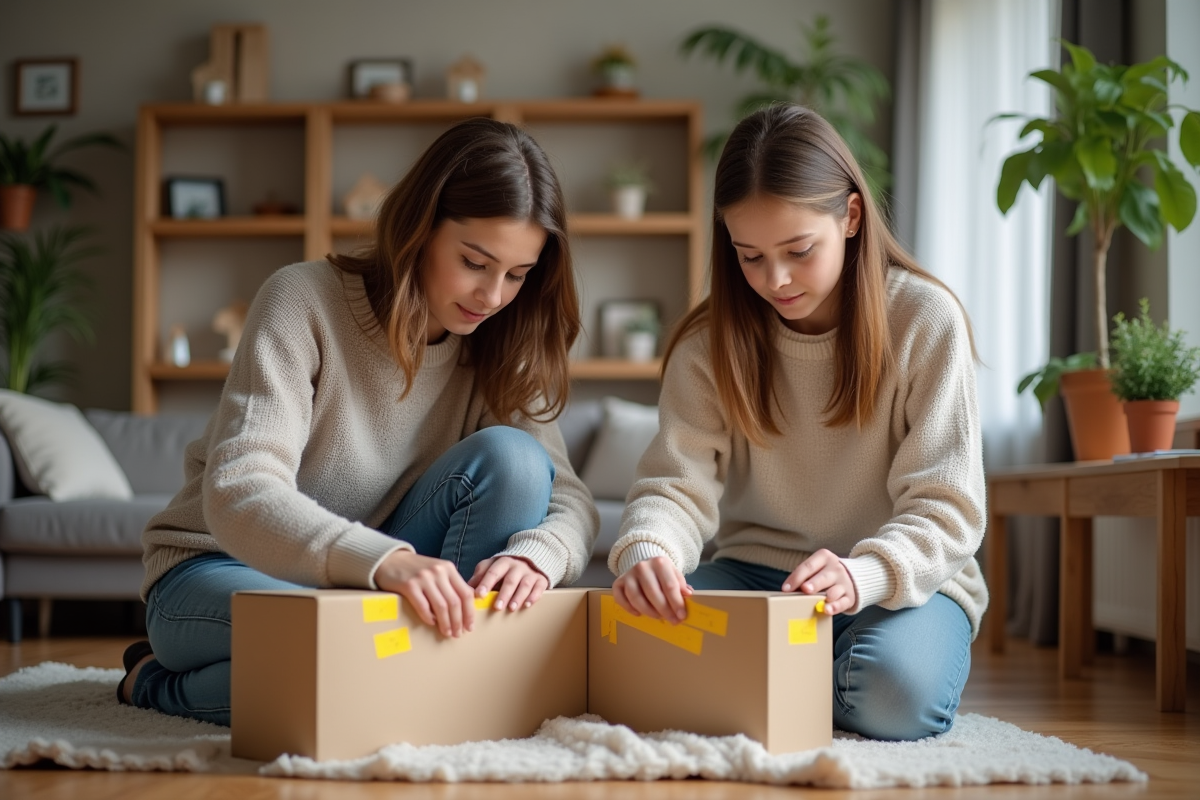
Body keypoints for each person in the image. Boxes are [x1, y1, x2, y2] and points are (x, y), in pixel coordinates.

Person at [119, 118, 599, 725]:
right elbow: (240, 491)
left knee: (516, 460)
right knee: (343, 667)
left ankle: (424, 668)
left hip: (370, 594)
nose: (493, 296)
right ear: (420, 228)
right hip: (223, 567)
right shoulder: (302, 299)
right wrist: (386, 561)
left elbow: (571, 499)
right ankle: (155, 684)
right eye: (475, 262)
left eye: (517, 274)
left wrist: (539, 556)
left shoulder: (501, 340)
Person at [608, 104, 986, 742]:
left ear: (852, 217)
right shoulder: (709, 343)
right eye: (749, 256)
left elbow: (946, 505)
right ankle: (789, 678)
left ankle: (768, 682)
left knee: (893, 694)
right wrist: (651, 551)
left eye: (798, 250)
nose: (774, 280)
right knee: (632, 648)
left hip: (901, 582)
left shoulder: (925, 320)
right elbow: (675, 484)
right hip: (757, 574)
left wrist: (861, 573)